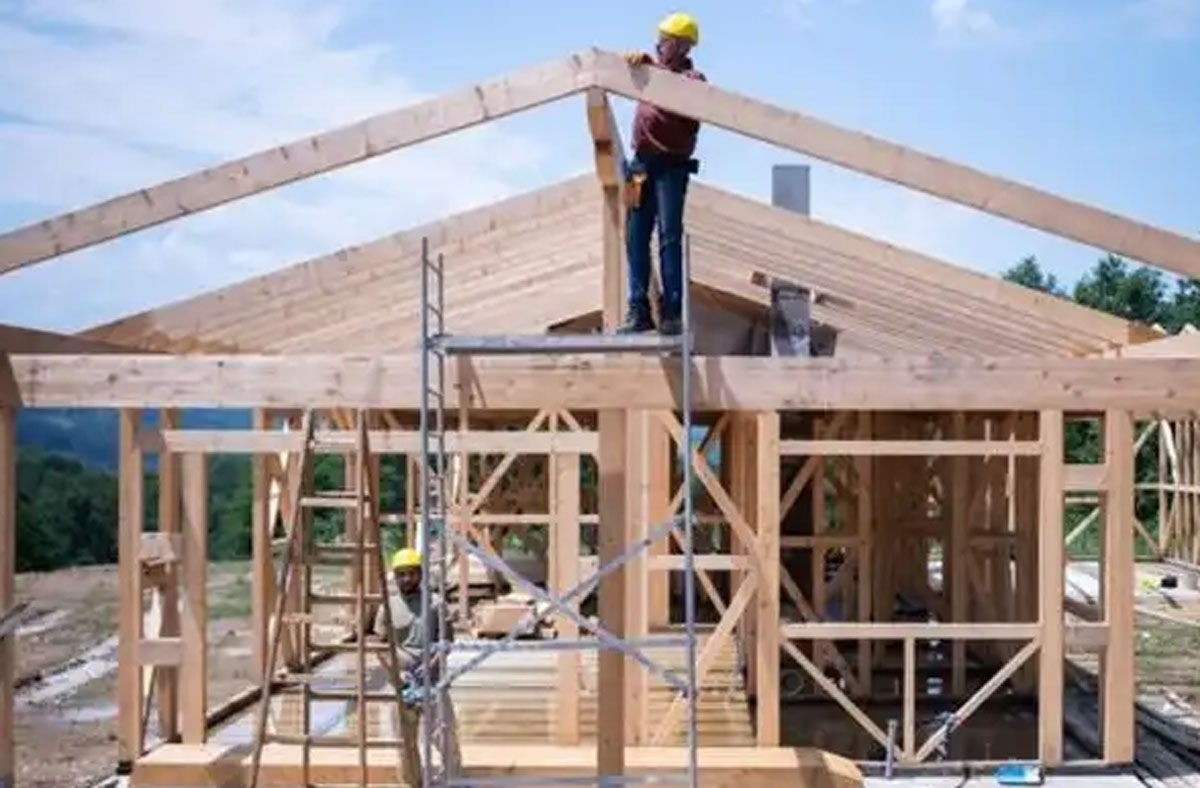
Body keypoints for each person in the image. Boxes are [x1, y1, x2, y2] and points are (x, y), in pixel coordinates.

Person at [618, 12, 706, 336]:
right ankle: (638, 309)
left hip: (672, 166)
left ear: (682, 47)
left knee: (669, 237)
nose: (658, 45)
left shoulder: (693, 80)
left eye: (665, 41)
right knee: (634, 235)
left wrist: (653, 70)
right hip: (640, 165)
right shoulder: (649, 71)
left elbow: (689, 106)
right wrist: (638, 65)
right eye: (658, 40)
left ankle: (672, 313)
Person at [373, 546, 461, 775]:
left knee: (446, 739)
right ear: (395, 576)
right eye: (401, 574)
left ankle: (451, 780)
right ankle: (413, 782)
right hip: (402, 685)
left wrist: (431, 664)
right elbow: (381, 646)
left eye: (411, 573)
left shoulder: (435, 603)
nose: (407, 578)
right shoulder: (387, 607)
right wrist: (397, 674)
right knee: (405, 744)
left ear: (420, 573)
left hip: (434, 683)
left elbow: (447, 641)